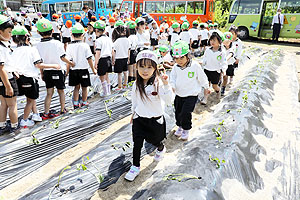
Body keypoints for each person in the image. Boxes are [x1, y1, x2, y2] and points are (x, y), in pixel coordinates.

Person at [124, 50, 172, 182]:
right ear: (136, 67)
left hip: (155, 121)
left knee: (154, 141)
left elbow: (169, 101)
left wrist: (166, 85)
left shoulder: (159, 83)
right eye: (142, 66)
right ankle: (135, 166)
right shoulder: (136, 84)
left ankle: (161, 148)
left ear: (155, 68)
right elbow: (135, 101)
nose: (145, 70)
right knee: (137, 143)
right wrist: (133, 114)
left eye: (149, 67)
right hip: (139, 119)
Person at [11, 26, 61, 126]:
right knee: (31, 99)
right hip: (29, 78)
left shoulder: (13, 51)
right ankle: (24, 120)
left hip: (18, 78)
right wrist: (54, 66)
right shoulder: (31, 50)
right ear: (26, 38)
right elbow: (38, 64)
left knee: (29, 98)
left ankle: (35, 114)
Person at [36, 18, 75, 119]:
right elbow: (63, 57)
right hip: (58, 70)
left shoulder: (38, 45)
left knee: (49, 92)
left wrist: (41, 73)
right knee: (61, 91)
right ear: (52, 31)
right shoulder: (57, 43)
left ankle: (46, 112)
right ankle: (62, 109)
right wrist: (70, 63)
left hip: (47, 71)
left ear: (38, 32)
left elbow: (40, 61)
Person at [170, 41, 208, 140]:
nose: (179, 60)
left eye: (182, 57)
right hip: (179, 94)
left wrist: (206, 87)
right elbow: (172, 78)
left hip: (191, 94)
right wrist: (172, 86)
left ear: (188, 55)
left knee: (186, 112)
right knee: (178, 112)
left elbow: (202, 77)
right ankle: (180, 126)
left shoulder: (194, 66)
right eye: (176, 58)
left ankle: (186, 129)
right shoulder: (175, 67)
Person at [66, 24, 97, 109]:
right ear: (82, 35)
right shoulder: (85, 45)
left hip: (73, 70)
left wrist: (67, 71)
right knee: (84, 87)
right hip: (83, 70)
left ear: (72, 35)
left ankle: (75, 103)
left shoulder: (69, 46)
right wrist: (93, 69)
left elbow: (68, 61)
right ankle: (84, 101)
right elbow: (89, 58)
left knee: (76, 87)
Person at [0, 15, 19, 133]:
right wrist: (8, 85)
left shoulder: (4, 45)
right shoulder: (1, 48)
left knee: (3, 104)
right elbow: (1, 68)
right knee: (12, 105)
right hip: (7, 79)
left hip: (2, 79)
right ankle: (14, 126)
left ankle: (2, 125)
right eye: (9, 32)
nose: (11, 34)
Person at [201, 32, 227, 104]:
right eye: (211, 40)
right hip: (207, 69)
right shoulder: (208, 50)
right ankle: (205, 98)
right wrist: (202, 63)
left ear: (219, 41)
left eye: (214, 40)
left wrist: (224, 70)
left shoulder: (222, 52)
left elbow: (224, 62)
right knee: (206, 84)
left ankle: (218, 91)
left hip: (215, 71)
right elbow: (204, 59)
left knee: (214, 86)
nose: (212, 42)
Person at [94, 20, 114, 96]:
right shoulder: (109, 39)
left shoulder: (98, 40)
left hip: (102, 60)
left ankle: (105, 92)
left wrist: (96, 63)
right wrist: (113, 60)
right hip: (108, 58)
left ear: (96, 30)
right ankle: (108, 91)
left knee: (102, 77)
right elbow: (112, 51)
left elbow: (98, 53)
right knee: (107, 76)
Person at [112, 20, 131, 90]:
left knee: (119, 74)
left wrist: (113, 60)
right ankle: (125, 85)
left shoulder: (116, 41)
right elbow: (129, 49)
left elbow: (114, 51)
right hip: (125, 58)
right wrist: (128, 58)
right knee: (125, 72)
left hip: (118, 58)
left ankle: (119, 86)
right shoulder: (128, 40)